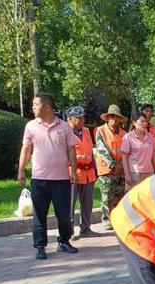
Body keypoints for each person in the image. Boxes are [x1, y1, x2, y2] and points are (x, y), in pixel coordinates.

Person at [18, 93, 78, 260]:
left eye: (36, 104)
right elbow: (26, 149)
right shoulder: (30, 126)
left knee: (64, 214)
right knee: (39, 214)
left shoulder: (64, 126)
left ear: (47, 107)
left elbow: (71, 149)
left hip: (61, 179)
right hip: (39, 179)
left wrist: (73, 171)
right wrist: (21, 170)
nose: (33, 107)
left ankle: (64, 242)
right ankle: (40, 246)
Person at [66, 105, 98, 239]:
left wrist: (95, 169)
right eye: (78, 118)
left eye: (82, 117)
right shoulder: (65, 132)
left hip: (88, 172)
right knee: (70, 203)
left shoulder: (85, 131)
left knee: (87, 202)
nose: (82, 120)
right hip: (73, 172)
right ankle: (69, 230)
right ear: (69, 119)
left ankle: (85, 228)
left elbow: (90, 151)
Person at [95, 104, 127, 230]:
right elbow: (101, 149)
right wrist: (113, 164)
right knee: (107, 195)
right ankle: (106, 219)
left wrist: (121, 165)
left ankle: (117, 218)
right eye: (112, 117)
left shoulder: (124, 133)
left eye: (116, 117)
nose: (114, 119)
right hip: (107, 169)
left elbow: (125, 151)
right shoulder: (100, 131)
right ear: (107, 118)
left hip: (121, 168)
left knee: (119, 194)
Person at [122, 112, 155, 190]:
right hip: (135, 174)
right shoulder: (128, 137)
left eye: (146, 122)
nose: (144, 124)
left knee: (148, 197)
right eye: (142, 121)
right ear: (134, 123)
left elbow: (153, 156)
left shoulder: (150, 137)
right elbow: (124, 157)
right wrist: (127, 174)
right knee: (135, 198)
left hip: (149, 173)